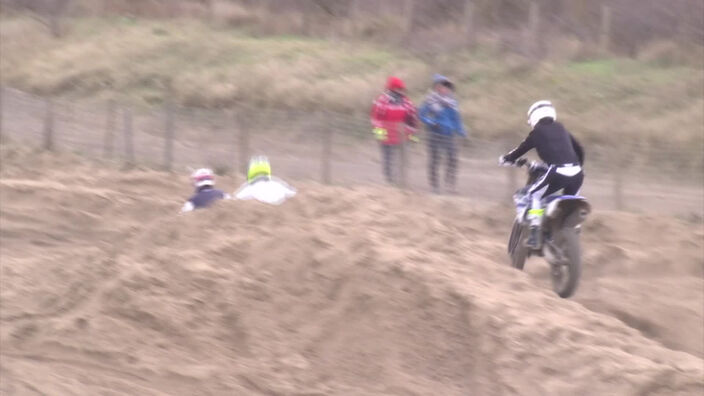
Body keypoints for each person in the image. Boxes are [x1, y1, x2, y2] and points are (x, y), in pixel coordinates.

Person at [499, 100, 585, 249]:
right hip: (577, 173)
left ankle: (534, 232)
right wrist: (576, 165)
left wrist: (506, 159)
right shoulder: (562, 129)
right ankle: (574, 230)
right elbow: (580, 149)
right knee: (572, 201)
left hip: (558, 172)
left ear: (533, 116)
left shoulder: (536, 132)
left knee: (534, 194)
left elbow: (520, 150)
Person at [418, 74, 467, 194]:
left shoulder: (452, 102)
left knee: (452, 159)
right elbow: (421, 115)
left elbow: (456, 118)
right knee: (435, 159)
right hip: (435, 134)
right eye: (442, 85)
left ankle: (450, 185)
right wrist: (431, 122)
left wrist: (461, 131)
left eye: (447, 86)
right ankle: (434, 186)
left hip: (449, 134)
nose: (444, 88)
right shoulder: (430, 101)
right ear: (436, 87)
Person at [370, 76, 418, 184]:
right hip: (386, 136)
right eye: (397, 88)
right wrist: (379, 135)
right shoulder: (382, 101)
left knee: (401, 158)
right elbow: (376, 118)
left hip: (401, 136)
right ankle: (389, 180)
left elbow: (412, 119)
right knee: (388, 158)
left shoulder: (406, 102)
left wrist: (412, 135)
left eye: (401, 89)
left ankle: (400, 180)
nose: (400, 91)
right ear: (391, 88)